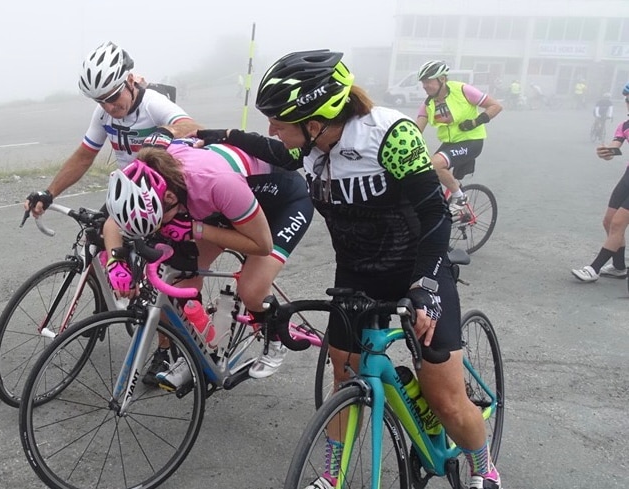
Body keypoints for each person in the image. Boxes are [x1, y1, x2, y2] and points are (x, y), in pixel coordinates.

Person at [196, 50, 502, 489]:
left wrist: (426, 286)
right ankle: (333, 476)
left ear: (315, 120)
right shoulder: (311, 148)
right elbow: (269, 149)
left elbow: (436, 214)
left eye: (280, 121)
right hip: (357, 273)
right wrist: (217, 135)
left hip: (417, 270)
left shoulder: (389, 134)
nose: (273, 130)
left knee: (447, 401)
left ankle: (484, 467)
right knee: (345, 376)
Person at [102, 140, 314, 385]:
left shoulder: (215, 182)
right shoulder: (143, 180)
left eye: (160, 221)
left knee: (252, 289)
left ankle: (275, 340)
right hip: (226, 207)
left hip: (282, 203)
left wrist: (196, 229)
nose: (161, 229)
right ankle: (204, 350)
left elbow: (261, 245)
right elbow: (113, 223)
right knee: (178, 282)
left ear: (170, 197)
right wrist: (115, 263)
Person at [24, 41, 202, 218]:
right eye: (100, 101)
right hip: (128, 191)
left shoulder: (152, 103)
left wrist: (164, 132)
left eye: (113, 96)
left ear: (130, 81)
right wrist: (49, 193)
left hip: (165, 195)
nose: (109, 107)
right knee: (95, 238)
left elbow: (193, 127)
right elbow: (83, 158)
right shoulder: (102, 114)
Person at [415, 60, 503, 214]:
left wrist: (475, 122)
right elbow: (415, 131)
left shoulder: (462, 90)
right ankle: (445, 198)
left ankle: (460, 197)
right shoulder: (428, 104)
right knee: (423, 170)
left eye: (428, 81)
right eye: (423, 82)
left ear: (442, 79)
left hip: (471, 141)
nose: (425, 86)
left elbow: (496, 106)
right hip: (450, 144)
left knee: (435, 164)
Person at [572, 84, 629, 283]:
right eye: (628, 100)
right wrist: (606, 152)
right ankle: (619, 267)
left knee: (618, 223)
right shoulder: (624, 126)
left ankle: (594, 268)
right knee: (609, 221)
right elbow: (615, 148)